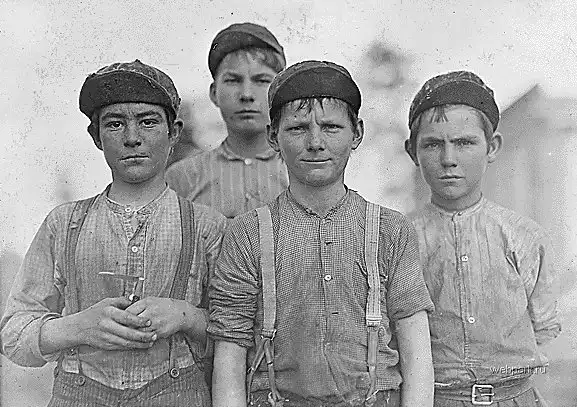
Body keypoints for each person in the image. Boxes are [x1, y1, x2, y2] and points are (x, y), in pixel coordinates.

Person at [0, 59, 226, 407]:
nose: (132, 138)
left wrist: (185, 315)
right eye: (115, 124)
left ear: (174, 132)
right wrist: (80, 326)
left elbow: (239, 333)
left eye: (148, 122)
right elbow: (14, 334)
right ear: (96, 137)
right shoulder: (63, 223)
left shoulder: (207, 227)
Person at [209, 60, 435, 407]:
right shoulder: (248, 233)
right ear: (273, 136)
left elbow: (416, 350)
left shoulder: (390, 229)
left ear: (357, 133)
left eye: (331, 127)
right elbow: (229, 352)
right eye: (298, 128)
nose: (315, 143)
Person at [405, 71, 561, 406]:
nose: (449, 159)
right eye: (433, 144)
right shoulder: (400, 239)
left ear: (492, 147)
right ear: (412, 152)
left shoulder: (523, 236)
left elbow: (544, 326)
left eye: (464, 143)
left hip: (515, 398)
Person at [166, 22, 289, 220]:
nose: (246, 94)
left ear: (279, 92)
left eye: (262, 81)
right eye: (232, 80)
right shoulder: (183, 177)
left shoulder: (301, 172)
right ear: (214, 93)